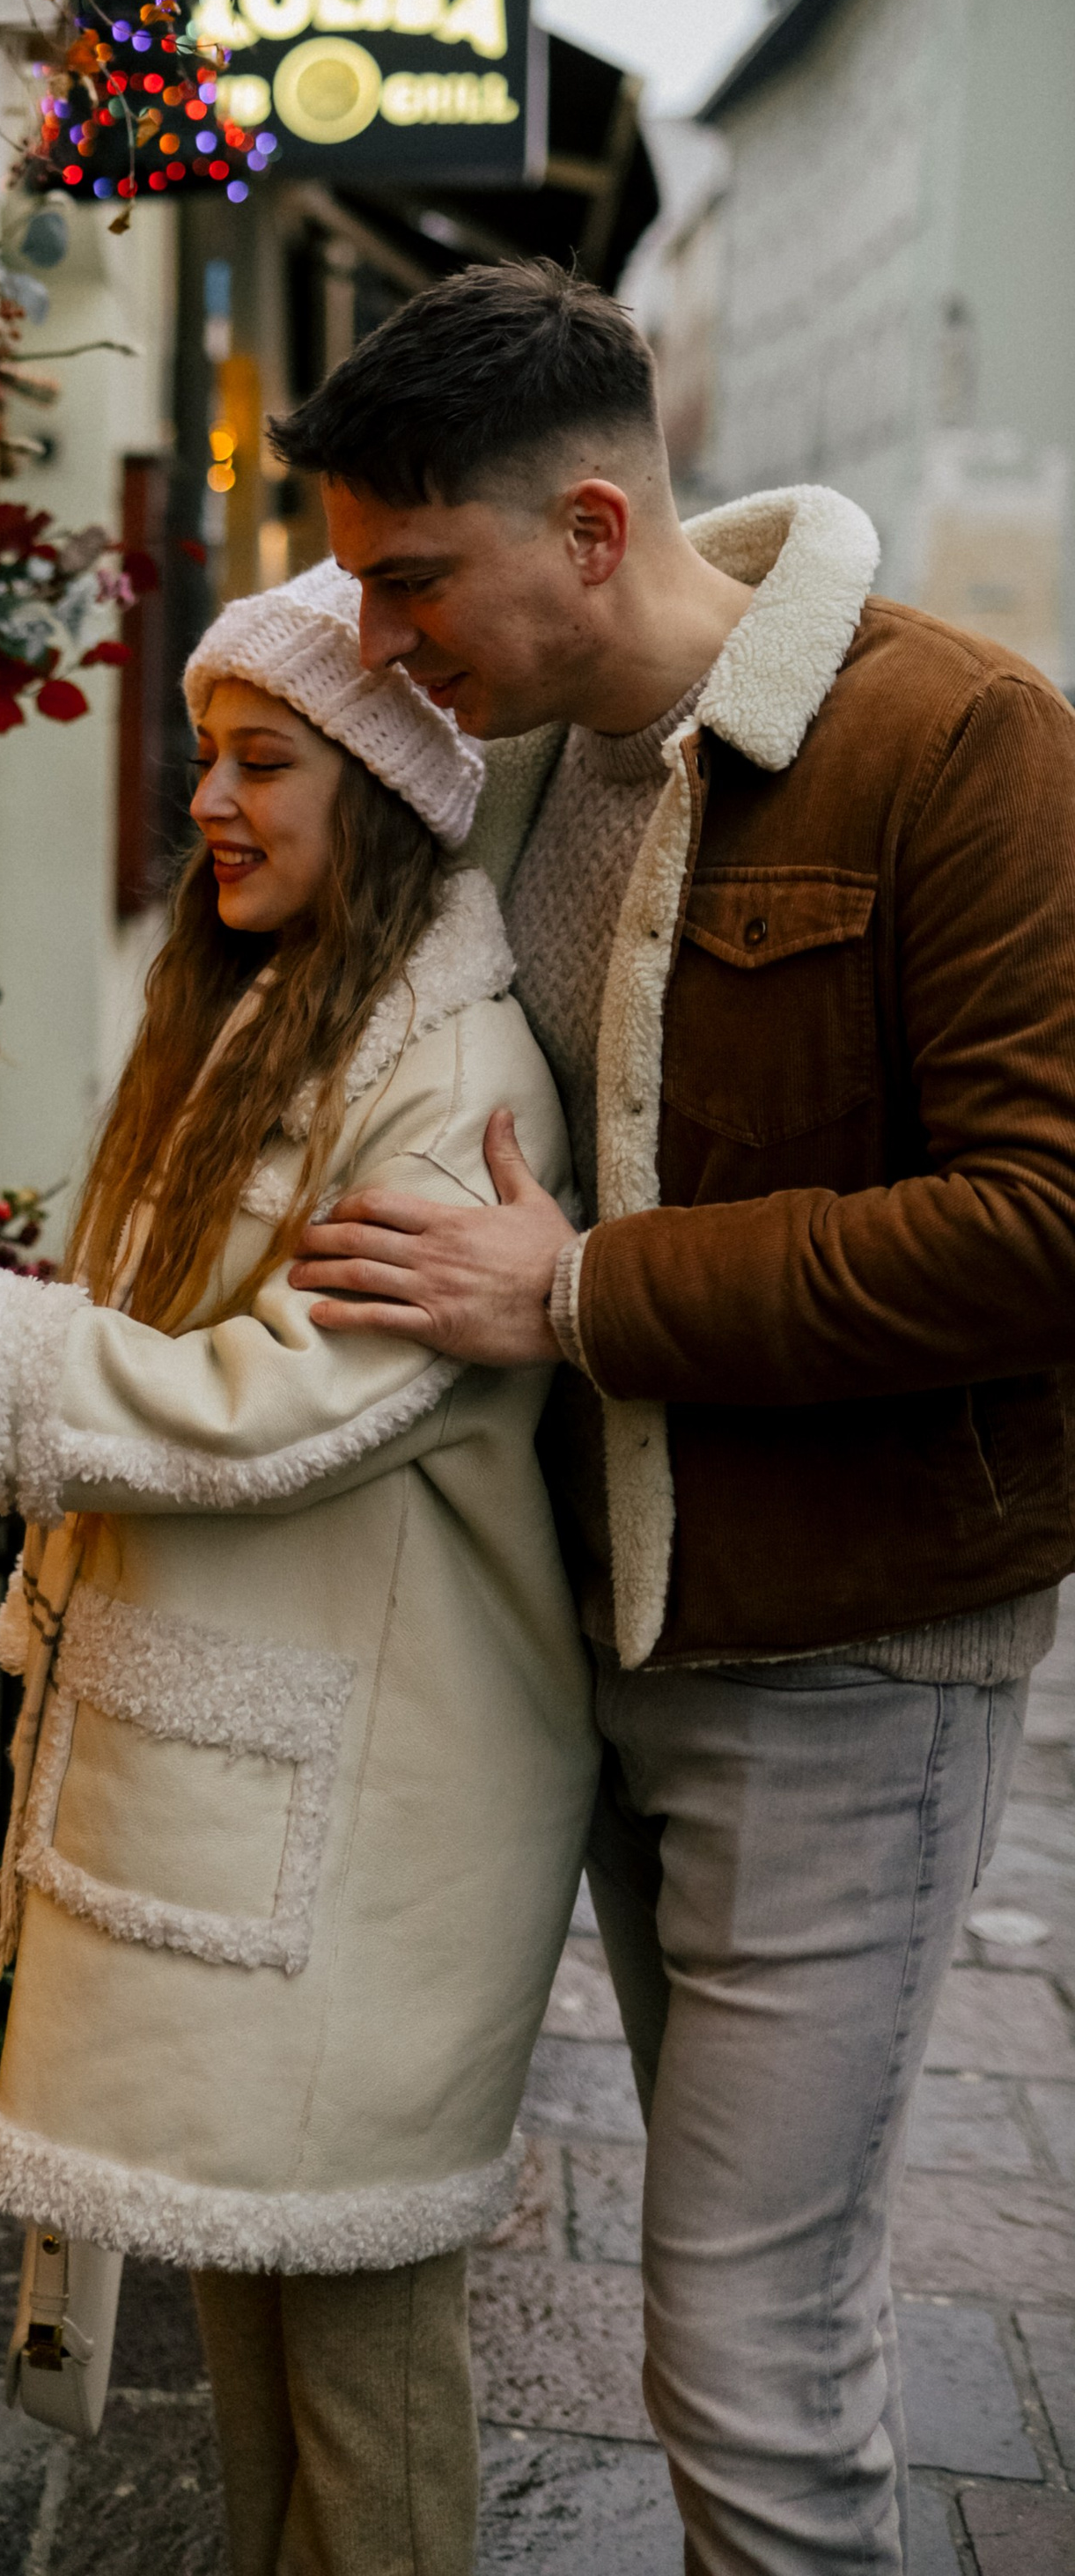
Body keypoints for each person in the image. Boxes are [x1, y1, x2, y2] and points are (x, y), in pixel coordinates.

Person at [0, 563, 597, 2576]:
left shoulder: (455, 1076)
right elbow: (149, 1333)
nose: (212, 805)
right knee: (251, 2332)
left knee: (357, 2374)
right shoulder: (268, 1015)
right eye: (202, 762)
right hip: (246, 1794)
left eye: (262, 763)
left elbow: (262, 1406)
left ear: (389, 786)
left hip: (372, 1823)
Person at [276, 260, 1075, 2576]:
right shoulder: (513, 771)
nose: (386, 634)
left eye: (417, 578)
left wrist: (590, 1292)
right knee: (722, 2302)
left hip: (848, 1655)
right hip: (589, 1641)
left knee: (748, 2332)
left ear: (596, 528)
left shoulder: (957, 742)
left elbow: (1043, 1224)